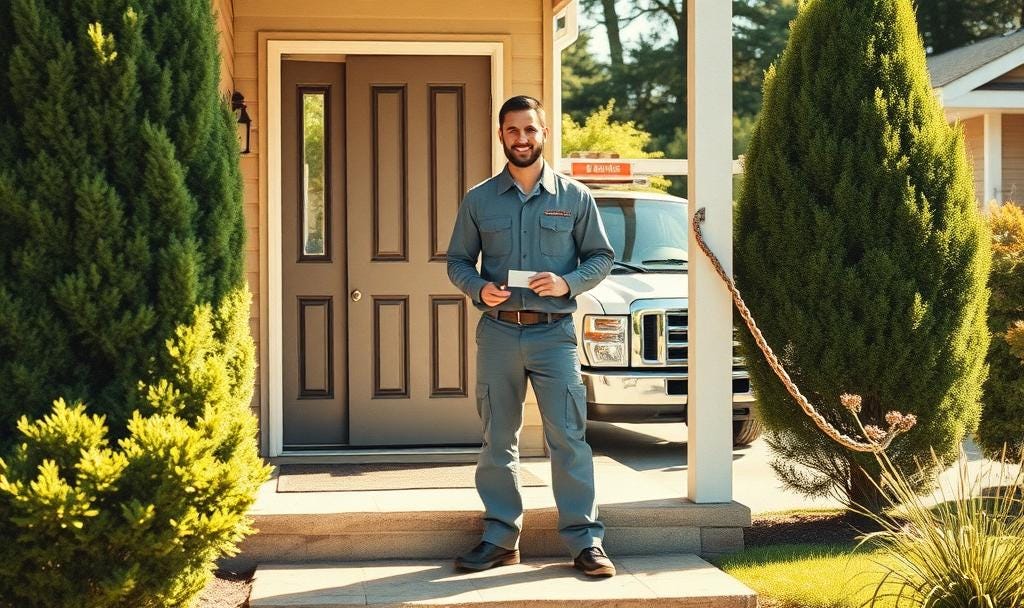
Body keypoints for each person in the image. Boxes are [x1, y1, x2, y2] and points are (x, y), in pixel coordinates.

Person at [446, 95, 616, 577]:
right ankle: (500, 538)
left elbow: (601, 257)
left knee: (569, 437)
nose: (522, 138)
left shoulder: (575, 197)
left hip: (554, 335)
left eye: (530, 130)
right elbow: (457, 260)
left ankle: (585, 542)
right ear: (501, 135)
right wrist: (479, 287)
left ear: (544, 134)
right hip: (498, 335)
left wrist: (568, 283)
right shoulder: (479, 199)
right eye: (512, 130)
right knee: (498, 439)